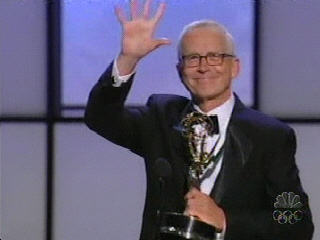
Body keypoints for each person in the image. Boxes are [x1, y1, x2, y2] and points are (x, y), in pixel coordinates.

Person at [85, 0, 314, 239]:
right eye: (193, 58)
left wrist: (226, 220)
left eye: (214, 56)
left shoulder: (270, 136)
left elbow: (294, 221)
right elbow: (100, 118)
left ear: (234, 67)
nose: (204, 67)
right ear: (179, 70)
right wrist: (128, 58)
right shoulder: (161, 118)